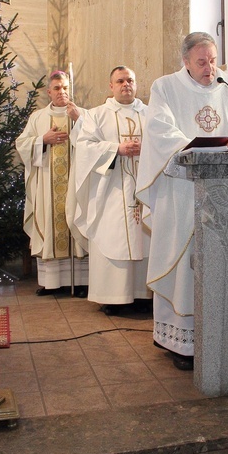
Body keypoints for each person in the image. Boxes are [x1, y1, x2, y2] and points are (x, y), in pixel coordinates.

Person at [135, 32, 228, 370]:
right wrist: (197, 148)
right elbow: (159, 130)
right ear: (185, 61)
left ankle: (223, 335)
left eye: (213, 60)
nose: (210, 68)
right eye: (201, 62)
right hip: (183, 191)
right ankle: (181, 343)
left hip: (227, 195)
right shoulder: (165, 87)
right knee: (185, 266)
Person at [72, 66, 152, 315]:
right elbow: (83, 147)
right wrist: (117, 149)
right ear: (111, 86)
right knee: (112, 236)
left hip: (144, 189)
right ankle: (113, 297)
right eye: (120, 81)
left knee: (146, 237)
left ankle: (144, 295)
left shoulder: (151, 115)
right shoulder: (96, 115)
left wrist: (146, 148)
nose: (126, 84)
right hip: (110, 190)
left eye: (130, 80)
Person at [16, 71, 89, 297]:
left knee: (76, 221)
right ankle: (52, 283)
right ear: (49, 92)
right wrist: (42, 141)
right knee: (50, 225)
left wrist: (79, 120)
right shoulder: (37, 118)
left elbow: (96, 139)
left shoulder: (82, 114)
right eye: (57, 88)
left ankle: (82, 281)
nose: (62, 92)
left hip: (76, 184)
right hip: (48, 184)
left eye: (65, 87)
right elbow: (21, 143)